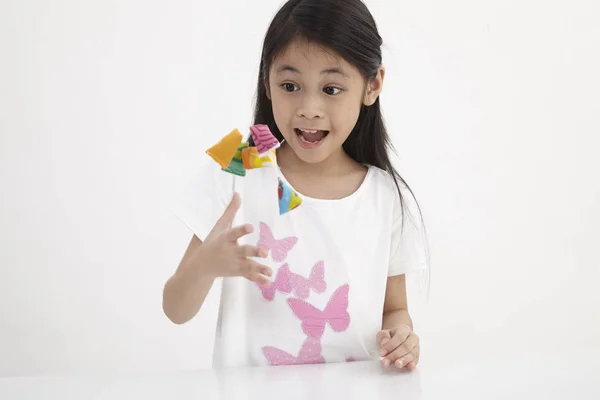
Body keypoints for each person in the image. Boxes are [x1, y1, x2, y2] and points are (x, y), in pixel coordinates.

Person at [163, 0, 429, 370]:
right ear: (267, 82)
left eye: (331, 89)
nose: (309, 108)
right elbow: (175, 308)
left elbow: (395, 309)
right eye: (290, 85)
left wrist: (401, 336)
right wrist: (204, 266)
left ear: (373, 86)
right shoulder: (240, 160)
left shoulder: (386, 196)